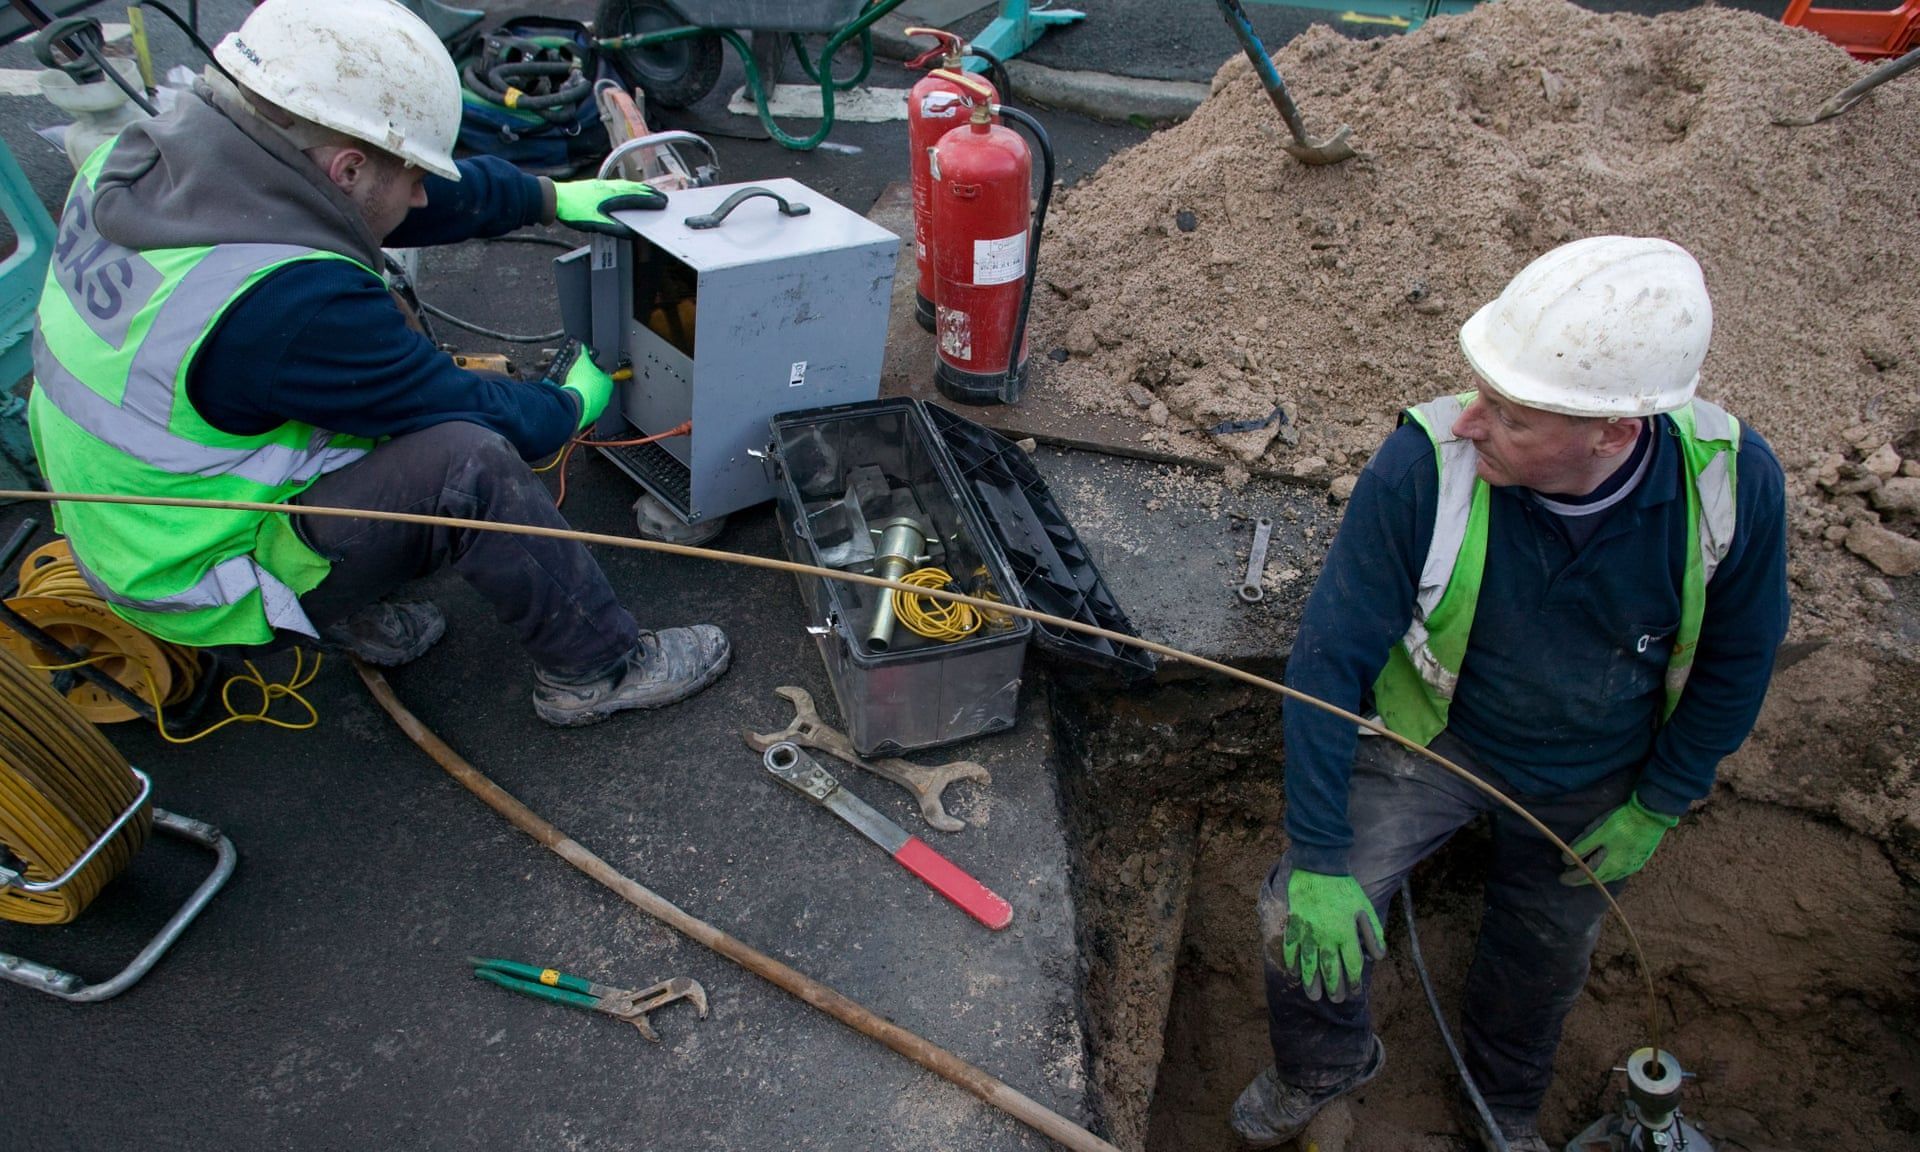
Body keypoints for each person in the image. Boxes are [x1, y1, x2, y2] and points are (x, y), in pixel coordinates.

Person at [28, 0, 729, 727]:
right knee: (468, 464)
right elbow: (462, 408)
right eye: (415, 175)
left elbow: (369, 202)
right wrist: (566, 407)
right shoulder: (291, 305)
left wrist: (546, 195)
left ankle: (341, 596)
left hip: (123, 520)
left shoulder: (148, 158)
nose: (424, 192)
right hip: (196, 575)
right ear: (348, 165)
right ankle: (598, 668)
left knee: (374, 367)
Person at [1232, 236, 1789, 1151]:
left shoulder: (1727, 482)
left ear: (1612, 434)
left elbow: (1740, 659)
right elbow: (1328, 665)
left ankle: (1502, 1106)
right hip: (1438, 745)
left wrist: (1660, 803)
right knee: (1296, 916)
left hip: (1604, 770)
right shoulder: (1424, 467)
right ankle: (1324, 1066)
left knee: (1543, 957)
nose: (1469, 421)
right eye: (1480, 392)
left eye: (1511, 416)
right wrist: (1322, 862)